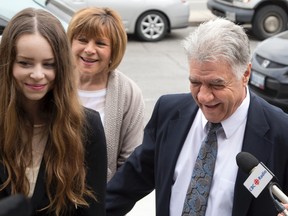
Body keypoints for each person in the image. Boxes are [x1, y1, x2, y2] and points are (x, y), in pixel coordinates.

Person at [106, 17, 288, 216]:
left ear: (245, 74)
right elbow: (126, 186)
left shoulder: (281, 132)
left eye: (216, 85)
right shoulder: (168, 113)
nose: (203, 96)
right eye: (195, 83)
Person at [0, 8, 107, 216]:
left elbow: (94, 210)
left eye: (49, 64)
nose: (38, 75)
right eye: (25, 63)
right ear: (7, 63)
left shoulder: (87, 127)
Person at [66, 7, 145, 181]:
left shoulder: (128, 93)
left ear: (113, 51)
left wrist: (106, 206)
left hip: (101, 201)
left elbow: (130, 162)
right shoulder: (53, 81)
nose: (89, 49)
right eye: (82, 40)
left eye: (100, 43)